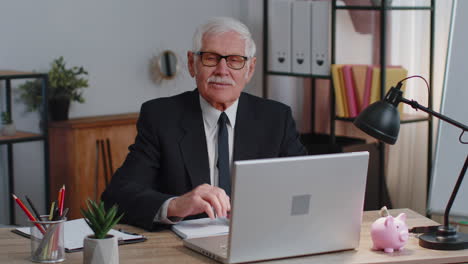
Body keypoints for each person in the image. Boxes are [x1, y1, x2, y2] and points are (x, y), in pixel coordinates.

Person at [101, 17, 307, 231]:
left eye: (235, 60)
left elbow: (305, 187)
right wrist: (175, 205)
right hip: (184, 250)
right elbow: (117, 196)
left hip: (258, 238)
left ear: (250, 69)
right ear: (192, 64)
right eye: (211, 58)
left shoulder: (276, 118)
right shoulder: (161, 117)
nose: (222, 70)